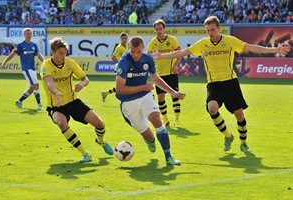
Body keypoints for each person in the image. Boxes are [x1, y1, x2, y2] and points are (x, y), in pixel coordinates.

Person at [151, 16, 290, 153]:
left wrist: (275, 50)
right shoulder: (202, 43)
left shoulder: (229, 41)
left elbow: (251, 47)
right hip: (214, 84)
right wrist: (160, 56)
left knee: (239, 116)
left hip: (230, 83)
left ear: (219, 28)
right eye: (208, 30)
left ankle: (243, 143)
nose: (210, 33)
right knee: (212, 108)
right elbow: (182, 52)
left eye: (212, 30)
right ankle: (228, 136)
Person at [40, 37, 114, 162]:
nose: (63, 56)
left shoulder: (71, 64)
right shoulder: (46, 66)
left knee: (99, 124)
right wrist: (56, 92)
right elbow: (49, 82)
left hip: (73, 102)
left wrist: (81, 84)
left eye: (65, 53)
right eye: (60, 53)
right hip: (55, 105)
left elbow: (85, 79)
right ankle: (85, 154)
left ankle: (101, 142)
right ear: (52, 52)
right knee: (61, 123)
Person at [115, 36, 186, 165]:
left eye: (138, 52)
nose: (136, 55)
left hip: (145, 96)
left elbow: (156, 78)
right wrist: (143, 86)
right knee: (149, 137)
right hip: (128, 104)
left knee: (156, 120)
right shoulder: (124, 62)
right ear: (129, 49)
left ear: (143, 48)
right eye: (132, 52)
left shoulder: (148, 59)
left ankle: (169, 157)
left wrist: (173, 92)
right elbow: (119, 89)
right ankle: (150, 141)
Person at [147, 19, 182, 127]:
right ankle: (166, 119)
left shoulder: (172, 40)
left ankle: (177, 119)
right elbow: (148, 57)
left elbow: (179, 53)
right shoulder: (153, 42)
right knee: (161, 97)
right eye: (157, 29)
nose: (159, 31)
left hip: (171, 73)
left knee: (174, 96)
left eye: (160, 29)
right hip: (159, 75)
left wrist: (175, 65)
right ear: (154, 30)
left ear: (164, 29)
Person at [1, 28, 45, 110]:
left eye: (30, 34)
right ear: (24, 35)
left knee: (32, 88)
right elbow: (12, 54)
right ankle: (39, 105)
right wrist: (4, 62)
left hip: (32, 68)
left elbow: (38, 55)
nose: (28, 35)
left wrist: (45, 62)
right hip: (26, 68)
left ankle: (19, 101)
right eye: (27, 34)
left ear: (31, 35)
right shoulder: (21, 45)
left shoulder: (34, 45)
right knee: (36, 85)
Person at [101, 32, 128, 102]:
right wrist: (121, 63)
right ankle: (125, 98)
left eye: (125, 38)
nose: (124, 40)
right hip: (119, 68)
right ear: (120, 39)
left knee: (124, 84)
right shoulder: (119, 47)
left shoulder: (127, 46)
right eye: (123, 38)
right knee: (123, 84)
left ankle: (105, 93)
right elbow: (113, 57)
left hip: (125, 68)